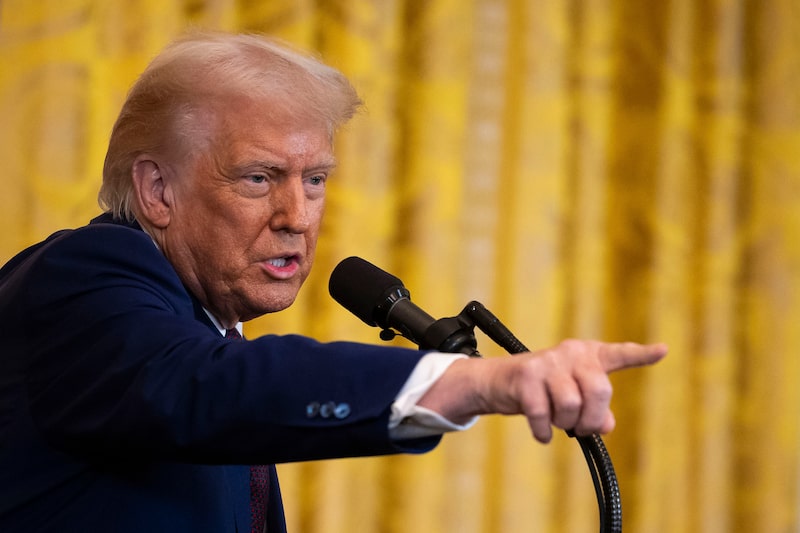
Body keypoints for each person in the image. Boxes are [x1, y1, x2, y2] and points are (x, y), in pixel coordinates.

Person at [0, 32, 667, 533]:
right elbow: (210, 386)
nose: (296, 218)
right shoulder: (79, 281)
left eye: (314, 180)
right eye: (258, 178)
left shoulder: (200, 327)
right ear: (157, 190)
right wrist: (479, 382)